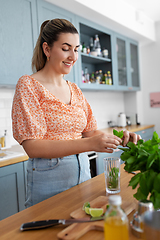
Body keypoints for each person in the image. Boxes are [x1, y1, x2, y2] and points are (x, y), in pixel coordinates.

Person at [12, 19, 141, 208]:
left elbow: (90, 132)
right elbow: (32, 147)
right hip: (48, 179)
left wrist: (120, 137)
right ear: (47, 49)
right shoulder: (28, 85)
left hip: (83, 173)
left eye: (76, 49)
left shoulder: (75, 89)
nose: (73, 56)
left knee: (81, 228)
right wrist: (89, 144)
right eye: (66, 48)